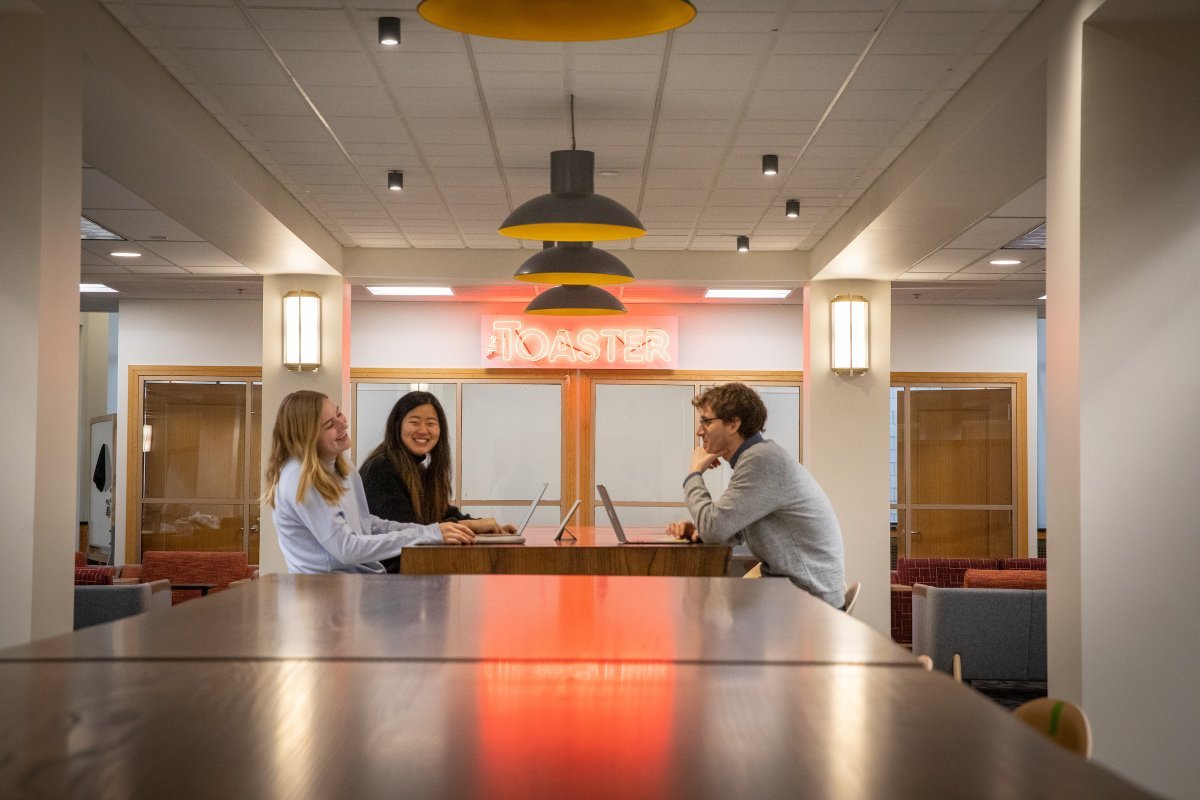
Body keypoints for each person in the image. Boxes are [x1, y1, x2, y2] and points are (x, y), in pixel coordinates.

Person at [666, 382, 846, 608]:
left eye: (706, 421)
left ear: (733, 424)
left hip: (809, 601)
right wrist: (698, 531)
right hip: (794, 591)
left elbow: (714, 528)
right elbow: (730, 529)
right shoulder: (757, 457)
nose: (699, 431)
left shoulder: (760, 460)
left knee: (701, 611)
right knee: (713, 609)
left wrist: (694, 474)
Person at [264, 390, 475, 574]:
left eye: (338, 413)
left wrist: (433, 531)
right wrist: (429, 533)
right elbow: (346, 548)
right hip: (325, 592)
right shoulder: (301, 477)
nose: (342, 424)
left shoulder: (342, 467)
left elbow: (367, 523)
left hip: (362, 581)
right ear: (307, 436)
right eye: (330, 424)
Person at [360, 391, 515, 573]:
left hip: (415, 567)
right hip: (389, 575)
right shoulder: (381, 467)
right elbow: (407, 531)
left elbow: (444, 512)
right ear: (397, 426)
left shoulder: (418, 468)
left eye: (431, 424)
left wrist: (488, 528)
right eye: (414, 422)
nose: (423, 430)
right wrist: (470, 526)